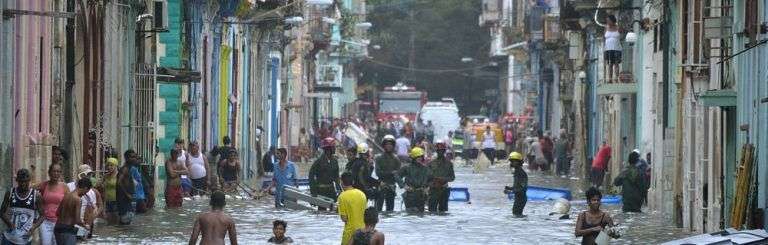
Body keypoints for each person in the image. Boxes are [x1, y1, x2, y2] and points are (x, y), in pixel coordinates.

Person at [1, 169, 44, 245]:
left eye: (26, 181)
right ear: (17, 180)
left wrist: (33, 228)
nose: (23, 184)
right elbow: (1, 212)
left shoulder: (36, 196)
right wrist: (10, 224)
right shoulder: (10, 193)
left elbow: (42, 216)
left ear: (29, 180)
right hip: (8, 238)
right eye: (21, 181)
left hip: (25, 240)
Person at [66, 164, 102, 240]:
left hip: (83, 225)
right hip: (68, 224)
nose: (89, 177)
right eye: (87, 174)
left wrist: (87, 226)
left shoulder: (91, 192)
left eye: (90, 175)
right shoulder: (69, 186)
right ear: (81, 175)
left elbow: (92, 210)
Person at [37, 163, 68, 245]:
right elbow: (30, 190)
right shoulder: (44, 185)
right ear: (49, 172)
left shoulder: (64, 187)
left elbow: (69, 203)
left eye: (58, 171)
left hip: (59, 222)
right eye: (54, 171)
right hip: (45, 221)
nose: (56, 173)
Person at [54, 178, 92, 245]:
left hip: (57, 228)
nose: (84, 194)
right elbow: (78, 220)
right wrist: (85, 226)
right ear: (85, 188)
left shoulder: (66, 195)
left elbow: (57, 213)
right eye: (86, 192)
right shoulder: (78, 200)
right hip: (68, 230)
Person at [309, 138, 341, 211]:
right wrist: (313, 191)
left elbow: (336, 177)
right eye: (333, 147)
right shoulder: (318, 161)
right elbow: (311, 176)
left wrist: (339, 189)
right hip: (321, 191)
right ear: (328, 149)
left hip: (331, 190)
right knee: (322, 211)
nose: (335, 149)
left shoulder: (335, 161)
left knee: (333, 211)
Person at [397, 147, 432, 213]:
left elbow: (431, 179)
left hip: (421, 195)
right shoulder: (407, 167)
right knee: (410, 213)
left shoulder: (425, 169)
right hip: (410, 195)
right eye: (417, 157)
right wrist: (404, 186)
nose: (419, 158)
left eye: (420, 156)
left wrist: (427, 187)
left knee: (421, 214)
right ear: (413, 158)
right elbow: (397, 176)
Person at [337, 172, 367, 245]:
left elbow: (344, 218)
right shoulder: (362, 194)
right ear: (352, 182)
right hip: (363, 232)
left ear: (341, 182)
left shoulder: (342, 196)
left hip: (350, 233)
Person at [374, 135, 401, 212]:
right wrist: (391, 173)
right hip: (381, 186)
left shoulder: (396, 159)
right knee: (378, 210)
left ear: (393, 146)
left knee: (390, 210)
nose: (389, 146)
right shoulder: (378, 158)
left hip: (391, 187)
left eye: (390, 144)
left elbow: (398, 174)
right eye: (387, 144)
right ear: (384, 145)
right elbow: (378, 173)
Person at [428, 142, 455, 213]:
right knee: (431, 211)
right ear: (436, 151)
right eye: (439, 151)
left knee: (443, 212)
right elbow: (427, 177)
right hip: (433, 190)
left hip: (444, 190)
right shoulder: (431, 163)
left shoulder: (449, 164)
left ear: (444, 151)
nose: (440, 152)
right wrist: (431, 183)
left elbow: (452, 177)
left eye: (442, 151)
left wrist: (443, 179)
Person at [503, 152, 528, 218]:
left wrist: (511, 191)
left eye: (515, 162)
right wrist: (510, 188)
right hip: (518, 197)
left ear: (519, 162)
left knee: (517, 214)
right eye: (512, 161)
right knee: (515, 214)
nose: (512, 163)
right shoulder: (517, 172)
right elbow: (517, 186)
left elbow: (522, 188)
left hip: (521, 198)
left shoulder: (521, 173)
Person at [117, 151, 137, 225]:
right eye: (132, 157)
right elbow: (119, 182)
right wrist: (127, 194)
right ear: (126, 158)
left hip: (127, 200)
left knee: (127, 222)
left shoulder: (129, 169)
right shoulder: (125, 169)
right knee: (125, 222)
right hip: (124, 199)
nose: (134, 159)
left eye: (135, 157)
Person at [98, 157, 120, 224]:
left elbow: (132, 183)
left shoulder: (120, 175)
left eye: (111, 165)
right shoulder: (106, 176)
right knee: (109, 222)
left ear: (116, 166)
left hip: (116, 201)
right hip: (107, 201)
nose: (109, 167)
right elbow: (98, 185)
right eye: (108, 165)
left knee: (116, 222)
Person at [604, 14, 622, 84]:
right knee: (610, 64)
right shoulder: (606, 28)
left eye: (609, 21)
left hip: (617, 48)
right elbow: (604, 37)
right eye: (607, 21)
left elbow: (622, 34)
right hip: (608, 49)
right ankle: (610, 79)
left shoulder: (618, 28)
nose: (608, 22)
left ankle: (616, 78)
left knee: (616, 64)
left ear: (612, 21)